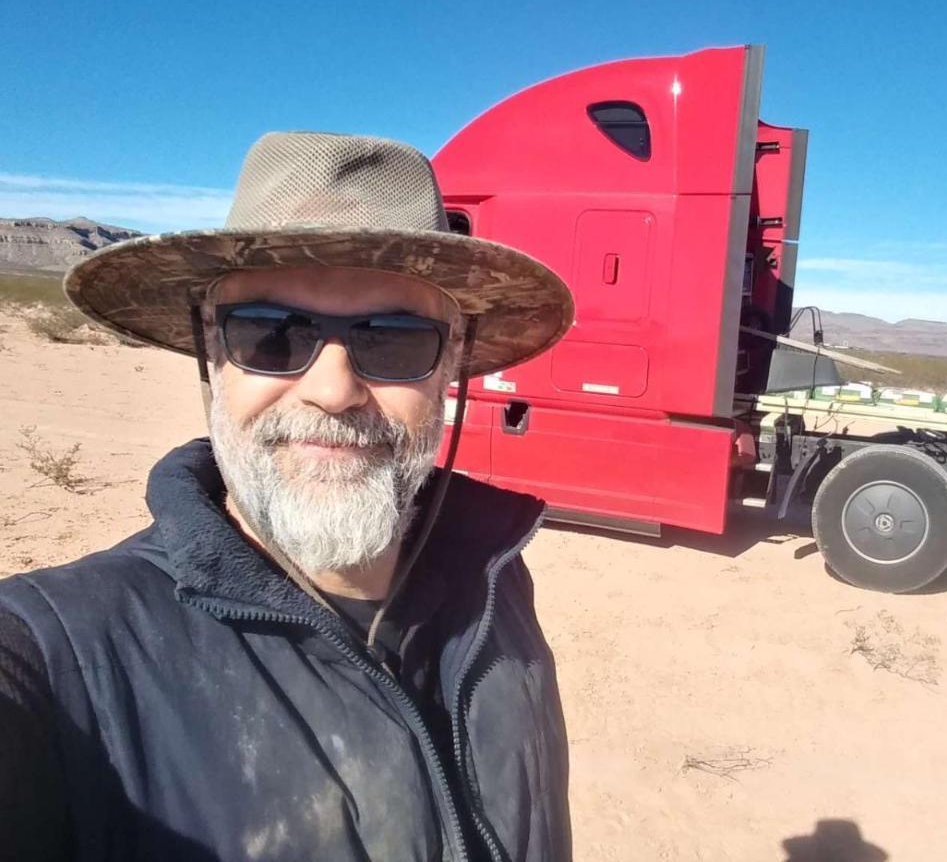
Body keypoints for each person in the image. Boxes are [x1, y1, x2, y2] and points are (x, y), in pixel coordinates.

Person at [0, 132, 575, 861]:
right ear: (212, 352)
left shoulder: (497, 580)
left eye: (395, 339)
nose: (333, 391)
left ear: (451, 364)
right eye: (271, 334)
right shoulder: (64, 656)